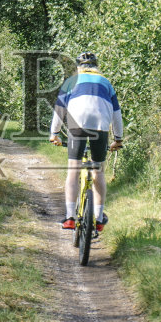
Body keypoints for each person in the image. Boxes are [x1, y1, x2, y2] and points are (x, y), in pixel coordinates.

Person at [49, 51, 123, 231]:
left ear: (78, 67)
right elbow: (116, 114)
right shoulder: (106, 83)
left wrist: (54, 133)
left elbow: (60, 109)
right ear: (97, 66)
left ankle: (70, 218)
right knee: (98, 171)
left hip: (77, 123)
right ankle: (98, 219)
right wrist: (118, 139)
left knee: (73, 170)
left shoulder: (71, 81)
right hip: (101, 125)